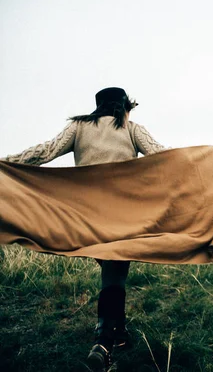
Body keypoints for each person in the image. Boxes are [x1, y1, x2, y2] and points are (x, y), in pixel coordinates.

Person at [1, 87, 166, 370]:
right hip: (123, 217)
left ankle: (120, 333)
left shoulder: (79, 126)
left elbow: (46, 152)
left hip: (88, 219)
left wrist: (7, 163)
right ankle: (103, 343)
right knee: (115, 277)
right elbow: (162, 157)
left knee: (113, 272)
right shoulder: (132, 128)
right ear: (124, 106)